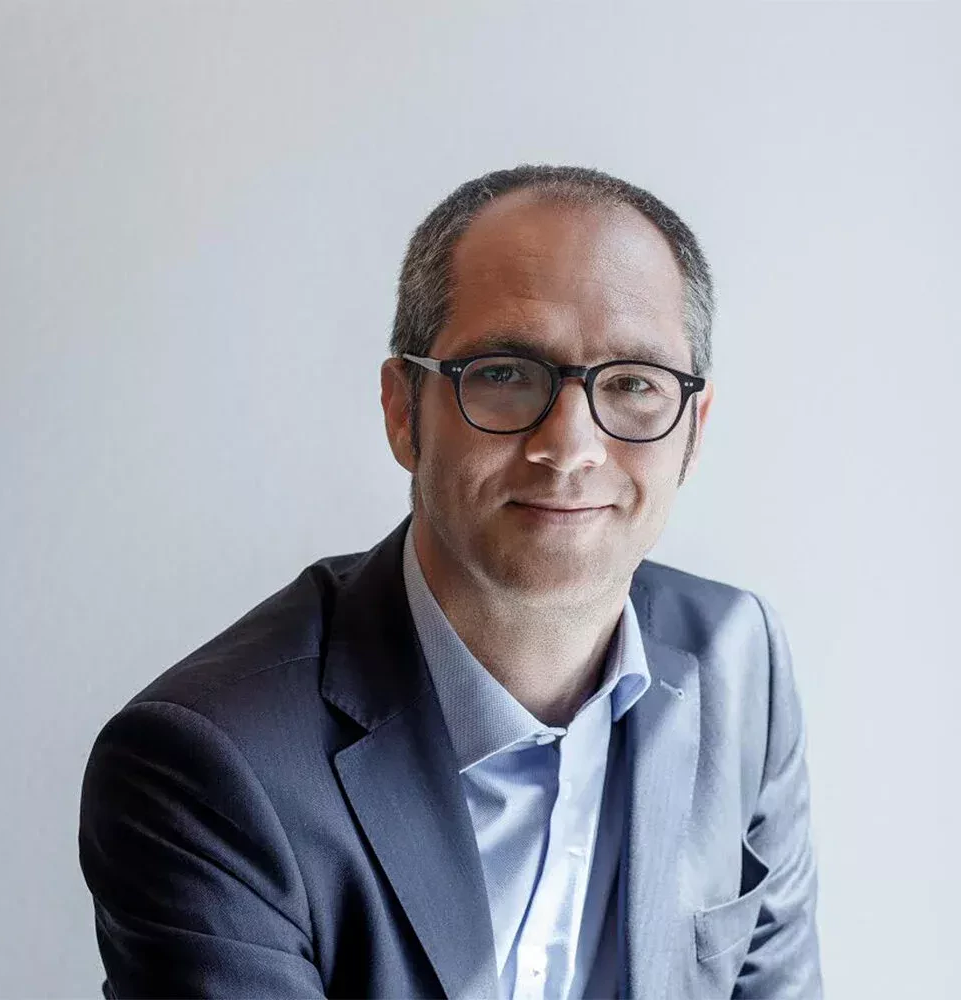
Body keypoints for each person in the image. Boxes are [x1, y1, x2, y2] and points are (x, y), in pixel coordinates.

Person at [79, 164, 823, 999]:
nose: (570, 446)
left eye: (634, 384)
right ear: (404, 411)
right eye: (505, 373)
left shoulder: (739, 662)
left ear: (693, 429)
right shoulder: (207, 766)